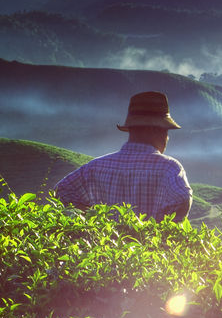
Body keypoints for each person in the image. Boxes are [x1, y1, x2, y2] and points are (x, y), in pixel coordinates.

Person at [55, 91, 193, 222]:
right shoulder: (169, 168)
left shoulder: (95, 167)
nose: (167, 138)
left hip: (103, 245)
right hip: (150, 245)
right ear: (157, 131)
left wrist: (92, 221)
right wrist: (162, 228)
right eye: (166, 132)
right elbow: (182, 198)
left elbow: (62, 191)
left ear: (131, 130)